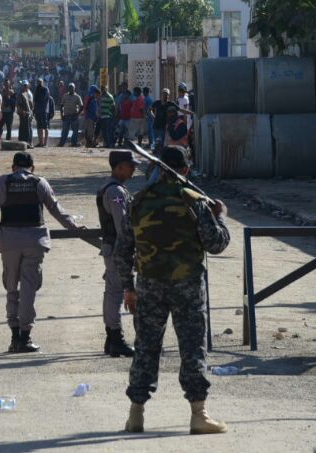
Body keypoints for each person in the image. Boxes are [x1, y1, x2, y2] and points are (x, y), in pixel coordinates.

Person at [115, 146, 230, 435]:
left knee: (145, 348)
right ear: (185, 170)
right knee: (192, 348)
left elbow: (122, 252)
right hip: (187, 287)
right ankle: (198, 415)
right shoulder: (195, 202)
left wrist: (129, 288)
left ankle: (135, 415)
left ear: (158, 169)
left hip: (149, 286)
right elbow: (216, 244)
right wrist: (221, 217)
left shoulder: (139, 201)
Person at [0, 151, 83, 353]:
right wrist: (74, 227)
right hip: (34, 240)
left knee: (11, 287)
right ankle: (25, 337)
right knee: (28, 289)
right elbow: (55, 208)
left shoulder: (3, 182)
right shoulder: (39, 182)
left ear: (13, 167)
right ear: (32, 167)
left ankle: (14, 336)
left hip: (9, 241)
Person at [99, 150, 140, 358]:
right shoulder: (115, 191)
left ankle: (112, 339)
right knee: (116, 292)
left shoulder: (116, 188)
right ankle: (116, 339)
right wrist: (130, 250)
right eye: (130, 166)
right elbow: (122, 225)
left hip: (112, 246)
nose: (134, 170)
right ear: (118, 167)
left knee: (112, 291)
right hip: (117, 247)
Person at [58, 82, 82, 147]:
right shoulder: (65, 96)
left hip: (74, 116)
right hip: (66, 116)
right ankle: (62, 143)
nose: (71, 89)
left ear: (74, 88)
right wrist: (62, 115)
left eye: (72, 88)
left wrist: (77, 114)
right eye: (70, 88)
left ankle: (74, 143)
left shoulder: (77, 97)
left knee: (75, 131)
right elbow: (61, 106)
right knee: (64, 131)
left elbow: (81, 106)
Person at [16, 81, 35, 145]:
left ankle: (29, 142)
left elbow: (31, 103)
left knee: (28, 127)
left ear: (28, 85)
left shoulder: (29, 92)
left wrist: (32, 112)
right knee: (23, 127)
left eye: (26, 85)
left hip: (28, 112)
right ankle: (23, 142)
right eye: (24, 85)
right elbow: (19, 104)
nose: (25, 86)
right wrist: (22, 111)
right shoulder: (20, 93)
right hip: (23, 113)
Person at [33, 78, 51, 147]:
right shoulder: (37, 90)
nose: (39, 83)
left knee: (45, 126)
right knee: (39, 127)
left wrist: (37, 99)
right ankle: (40, 142)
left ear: (42, 83)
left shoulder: (45, 89)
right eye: (38, 82)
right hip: (38, 110)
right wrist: (34, 110)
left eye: (40, 82)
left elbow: (41, 99)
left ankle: (45, 143)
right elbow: (35, 100)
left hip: (43, 111)